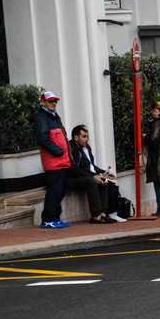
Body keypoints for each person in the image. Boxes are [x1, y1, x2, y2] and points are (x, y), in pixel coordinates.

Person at [33, 91, 73, 229]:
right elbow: (43, 139)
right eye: (50, 101)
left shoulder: (53, 117)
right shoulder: (42, 118)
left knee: (59, 191)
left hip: (61, 161)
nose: (53, 103)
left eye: (55, 101)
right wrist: (58, 151)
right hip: (54, 162)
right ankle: (47, 219)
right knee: (54, 191)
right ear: (43, 102)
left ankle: (55, 217)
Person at [66, 125, 121, 224]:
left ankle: (102, 213)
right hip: (71, 179)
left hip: (81, 177)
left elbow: (91, 166)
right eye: (84, 137)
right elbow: (74, 170)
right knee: (92, 181)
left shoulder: (81, 148)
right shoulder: (71, 149)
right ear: (76, 138)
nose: (87, 139)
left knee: (103, 180)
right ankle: (95, 215)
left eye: (87, 136)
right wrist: (93, 177)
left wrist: (104, 173)